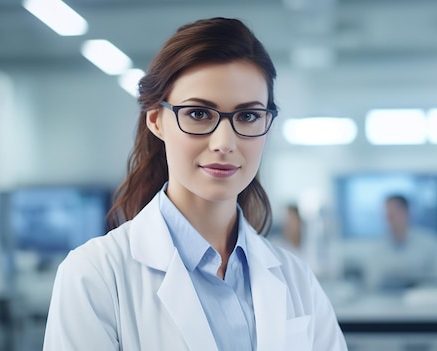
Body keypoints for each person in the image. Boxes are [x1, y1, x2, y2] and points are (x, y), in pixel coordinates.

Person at [43, 17, 347, 351]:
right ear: (157, 121)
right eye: (199, 114)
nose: (224, 142)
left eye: (247, 116)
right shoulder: (95, 274)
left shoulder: (296, 280)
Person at [362, 195, 437, 289]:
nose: (389, 220)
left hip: (421, 299)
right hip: (384, 300)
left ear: (407, 213)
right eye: (387, 216)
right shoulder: (376, 247)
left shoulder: (428, 242)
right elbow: (372, 282)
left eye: (393, 215)